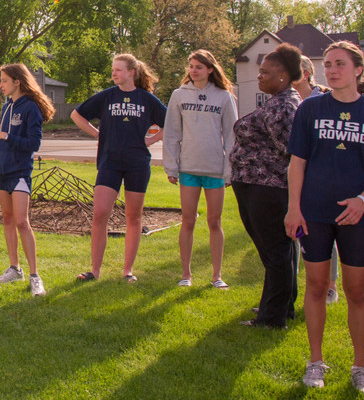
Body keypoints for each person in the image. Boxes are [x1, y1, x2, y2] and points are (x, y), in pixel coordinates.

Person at [285, 41, 364, 393]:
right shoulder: (309, 109)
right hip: (315, 213)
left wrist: (363, 200)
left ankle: (360, 367)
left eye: (340, 64)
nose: (332, 70)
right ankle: (315, 362)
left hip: (357, 216)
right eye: (329, 64)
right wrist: (294, 207)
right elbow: (297, 163)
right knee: (317, 286)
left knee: (356, 291)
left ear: (358, 70)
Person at [72, 53, 166, 282]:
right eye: (113, 69)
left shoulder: (147, 99)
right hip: (109, 163)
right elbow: (77, 115)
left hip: (137, 164)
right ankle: (94, 271)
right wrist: (96, 133)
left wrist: (151, 140)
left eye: (119, 70)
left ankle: (127, 271)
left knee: (133, 217)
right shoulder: (106, 97)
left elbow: (170, 123)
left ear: (132, 72)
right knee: (100, 214)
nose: (114, 73)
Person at [230, 43, 303, 329]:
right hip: (256, 185)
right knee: (278, 252)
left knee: (275, 252)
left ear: (283, 76)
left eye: (264, 73)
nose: (258, 77)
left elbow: (290, 149)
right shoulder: (278, 101)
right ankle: (280, 305)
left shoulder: (285, 106)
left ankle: (273, 318)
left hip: (267, 187)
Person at [0, 63, 55, 297]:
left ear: (17, 82)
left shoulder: (30, 108)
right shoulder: (7, 106)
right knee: (8, 219)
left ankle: (35, 276)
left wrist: (5, 135)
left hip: (20, 172)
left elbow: (33, 144)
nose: (0, 85)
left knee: (22, 221)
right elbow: (5, 142)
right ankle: (15, 269)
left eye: (4, 80)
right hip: (1, 170)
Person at [163, 49, 238, 289]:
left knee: (214, 222)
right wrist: (171, 166)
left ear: (210, 70)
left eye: (199, 67)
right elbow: (172, 133)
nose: (193, 70)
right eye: (191, 66)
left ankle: (217, 276)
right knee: (188, 220)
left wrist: (229, 170)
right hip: (189, 169)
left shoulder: (224, 97)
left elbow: (231, 136)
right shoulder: (179, 95)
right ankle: (186, 274)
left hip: (215, 169)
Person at [293, 56, 340, 305]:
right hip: (296, 173)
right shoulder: (287, 101)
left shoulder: (321, 99)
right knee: (300, 232)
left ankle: (330, 286)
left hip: (320, 175)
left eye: (297, 70)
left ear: (308, 72)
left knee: (323, 230)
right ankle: (302, 283)